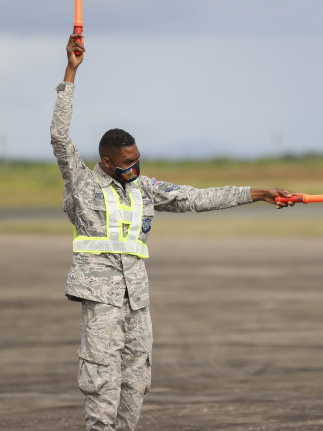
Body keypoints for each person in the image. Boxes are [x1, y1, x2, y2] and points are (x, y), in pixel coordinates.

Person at [50, 33, 298, 431]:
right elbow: (60, 138)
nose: (135, 168)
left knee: (136, 383)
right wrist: (71, 72)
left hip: (137, 300)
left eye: (138, 160)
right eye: (127, 163)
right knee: (102, 383)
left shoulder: (145, 189)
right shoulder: (82, 184)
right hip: (100, 299)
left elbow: (197, 198)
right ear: (107, 162)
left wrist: (258, 193)